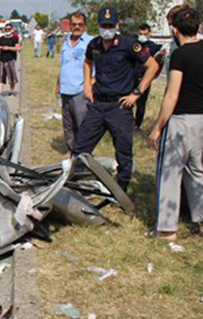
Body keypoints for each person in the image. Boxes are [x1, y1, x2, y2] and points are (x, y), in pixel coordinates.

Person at [73, 7, 159, 192]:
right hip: (98, 104)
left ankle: (121, 189)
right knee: (81, 146)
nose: (107, 28)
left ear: (117, 25)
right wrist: (87, 84)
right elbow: (88, 62)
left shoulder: (129, 45)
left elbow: (152, 65)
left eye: (110, 25)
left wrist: (137, 93)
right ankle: (75, 183)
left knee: (123, 151)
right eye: (104, 25)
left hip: (119, 106)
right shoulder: (94, 45)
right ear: (98, 26)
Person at [148, 9, 203, 240]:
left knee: (170, 173)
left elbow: (172, 95)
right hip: (201, 121)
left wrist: (158, 126)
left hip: (181, 120)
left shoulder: (180, 55)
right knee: (198, 172)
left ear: (175, 29)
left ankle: (167, 229)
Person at [55, 12, 93, 153]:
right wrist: (58, 85)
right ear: (70, 25)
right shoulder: (65, 42)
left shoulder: (91, 42)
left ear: (85, 26)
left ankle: (84, 156)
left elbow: (95, 67)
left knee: (82, 125)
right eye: (74, 24)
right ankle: (73, 153)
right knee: (68, 126)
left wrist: (90, 86)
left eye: (80, 24)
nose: (77, 27)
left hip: (80, 91)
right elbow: (63, 65)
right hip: (65, 90)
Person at [132, 24, 165, 130]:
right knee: (128, 102)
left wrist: (155, 75)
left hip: (145, 79)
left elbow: (160, 59)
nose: (142, 36)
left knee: (141, 104)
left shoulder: (152, 46)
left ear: (149, 33)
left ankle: (137, 125)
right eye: (140, 34)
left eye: (145, 34)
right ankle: (128, 123)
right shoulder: (133, 44)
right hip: (131, 77)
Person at [0, 23, 21, 95]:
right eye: (6, 29)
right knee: (1, 76)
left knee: (11, 77)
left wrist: (8, 48)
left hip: (11, 59)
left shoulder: (14, 38)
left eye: (9, 29)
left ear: (12, 29)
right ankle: (0, 92)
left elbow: (18, 48)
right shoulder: (1, 39)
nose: (7, 30)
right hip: (2, 59)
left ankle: (11, 90)